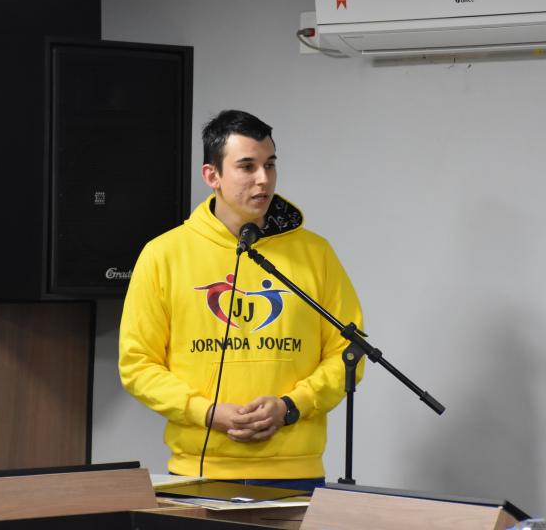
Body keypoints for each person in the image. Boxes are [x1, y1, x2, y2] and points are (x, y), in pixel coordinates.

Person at [118, 109, 363, 490]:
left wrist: (291, 406)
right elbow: (138, 364)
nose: (263, 179)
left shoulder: (316, 254)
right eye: (247, 166)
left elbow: (349, 352)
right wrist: (206, 412)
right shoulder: (163, 255)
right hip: (200, 472)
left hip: (295, 472)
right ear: (211, 176)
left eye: (270, 165)